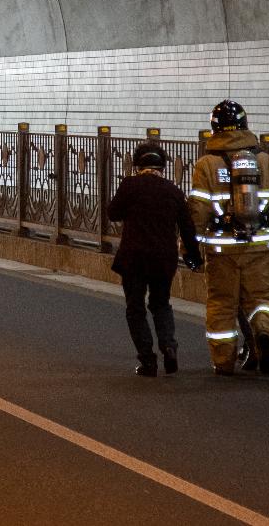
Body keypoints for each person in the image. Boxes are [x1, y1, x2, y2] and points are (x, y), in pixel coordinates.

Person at [188, 100, 269, 375]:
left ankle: (223, 360)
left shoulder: (207, 165)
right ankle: (264, 334)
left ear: (214, 128)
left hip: (221, 249)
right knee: (262, 299)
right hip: (259, 245)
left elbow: (198, 208)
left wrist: (191, 245)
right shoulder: (265, 161)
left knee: (222, 303)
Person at [108, 142, 202, 377]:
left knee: (135, 308)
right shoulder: (173, 190)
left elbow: (113, 213)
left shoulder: (130, 185)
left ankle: (148, 360)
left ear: (138, 164)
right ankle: (169, 347)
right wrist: (194, 256)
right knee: (161, 304)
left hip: (135, 258)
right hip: (164, 258)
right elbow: (188, 228)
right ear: (163, 165)